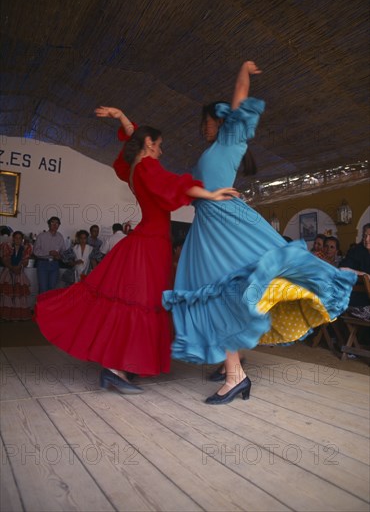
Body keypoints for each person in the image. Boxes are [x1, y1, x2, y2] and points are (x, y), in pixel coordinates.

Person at [162, 60, 357, 405]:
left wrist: (242, 70)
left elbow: (238, 99)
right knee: (215, 295)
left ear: (219, 121)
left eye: (206, 120)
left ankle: (236, 375)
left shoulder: (229, 141)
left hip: (227, 227)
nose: (202, 127)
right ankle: (231, 366)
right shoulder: (205, 155)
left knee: (222, 293)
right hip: (207, 234)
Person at [35, 124, 238, 394]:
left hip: (146, 243)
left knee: (131, 305)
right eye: (159, 144)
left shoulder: (133, 168)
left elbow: (149, 160)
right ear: (149, 144)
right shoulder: (146, 168)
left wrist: (121, 118)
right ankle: (114, 369)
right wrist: (211, 193)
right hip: (151, 246)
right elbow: (175, 184)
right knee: (139, 305)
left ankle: (120, 366)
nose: (162, 150)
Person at [0, 231, 33, 320]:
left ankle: (18, 315)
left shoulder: (26, 248)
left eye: (19, 238)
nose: (17, 240)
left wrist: (20, 266)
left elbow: (25, 262)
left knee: (19, 294)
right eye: (16, 238)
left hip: (19, 272)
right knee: (8, 294)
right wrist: (11, 267)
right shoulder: (7, 246)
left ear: (22, 239)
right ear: (13, 239)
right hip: (8, 271)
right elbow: (3, 259)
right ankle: (7, 315)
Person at [340, 223, 370, 307]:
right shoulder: (357, 250)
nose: (367, 239)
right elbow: (342, 269)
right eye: (365, 235)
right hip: (358, 298)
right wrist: (363, 274)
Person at [33, 217, 66, 293]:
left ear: (59, 225)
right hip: (42, 263)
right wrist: (49, 253)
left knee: (52, 288)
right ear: (48, 224)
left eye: (57, 223)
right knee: (43, 288)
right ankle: (41, 305)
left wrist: (59, 256)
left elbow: (63, 252)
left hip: (54, 264)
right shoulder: (41, 236)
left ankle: (49, 305)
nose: (55, 225)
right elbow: (35, 251)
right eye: (52, 222)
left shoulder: (60, 237)